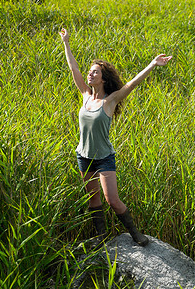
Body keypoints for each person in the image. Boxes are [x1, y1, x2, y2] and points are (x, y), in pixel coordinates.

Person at [59, 28, 172, 247]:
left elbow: (132, 84)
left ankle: (134, 233)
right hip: (84, 156)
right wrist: (66, 43)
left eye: (94, 73)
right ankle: (101, 236)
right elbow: (73, 69)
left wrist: (152, 64)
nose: (89, 74)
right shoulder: (85, 96)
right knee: (93, 199)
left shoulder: (109, 102)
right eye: (90, 72)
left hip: (104, 158)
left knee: (112, 199)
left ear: (103, 79)